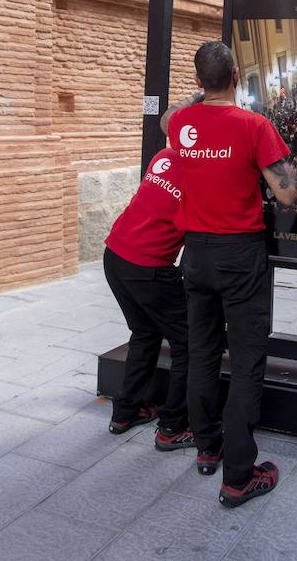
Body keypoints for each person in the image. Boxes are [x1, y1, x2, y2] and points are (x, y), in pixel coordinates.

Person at [160, 41, 297, 508]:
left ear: (198, 82)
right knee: (245, 362)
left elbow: (167, 119)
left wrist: (198, 99)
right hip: (240, 256)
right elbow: (287, 196)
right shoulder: (255, 126)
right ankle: (240, 475)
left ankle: (207, 448)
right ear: (238, 75)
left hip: (194, 254)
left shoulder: (181, 122)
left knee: (201, 353)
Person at [102, 147, 194, 450]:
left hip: (115, 253)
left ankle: (126, 412)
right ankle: (171, 427)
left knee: (144, 332)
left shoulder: (164, 155)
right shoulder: (203, 172)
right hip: (148, 265)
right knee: (188, 343)